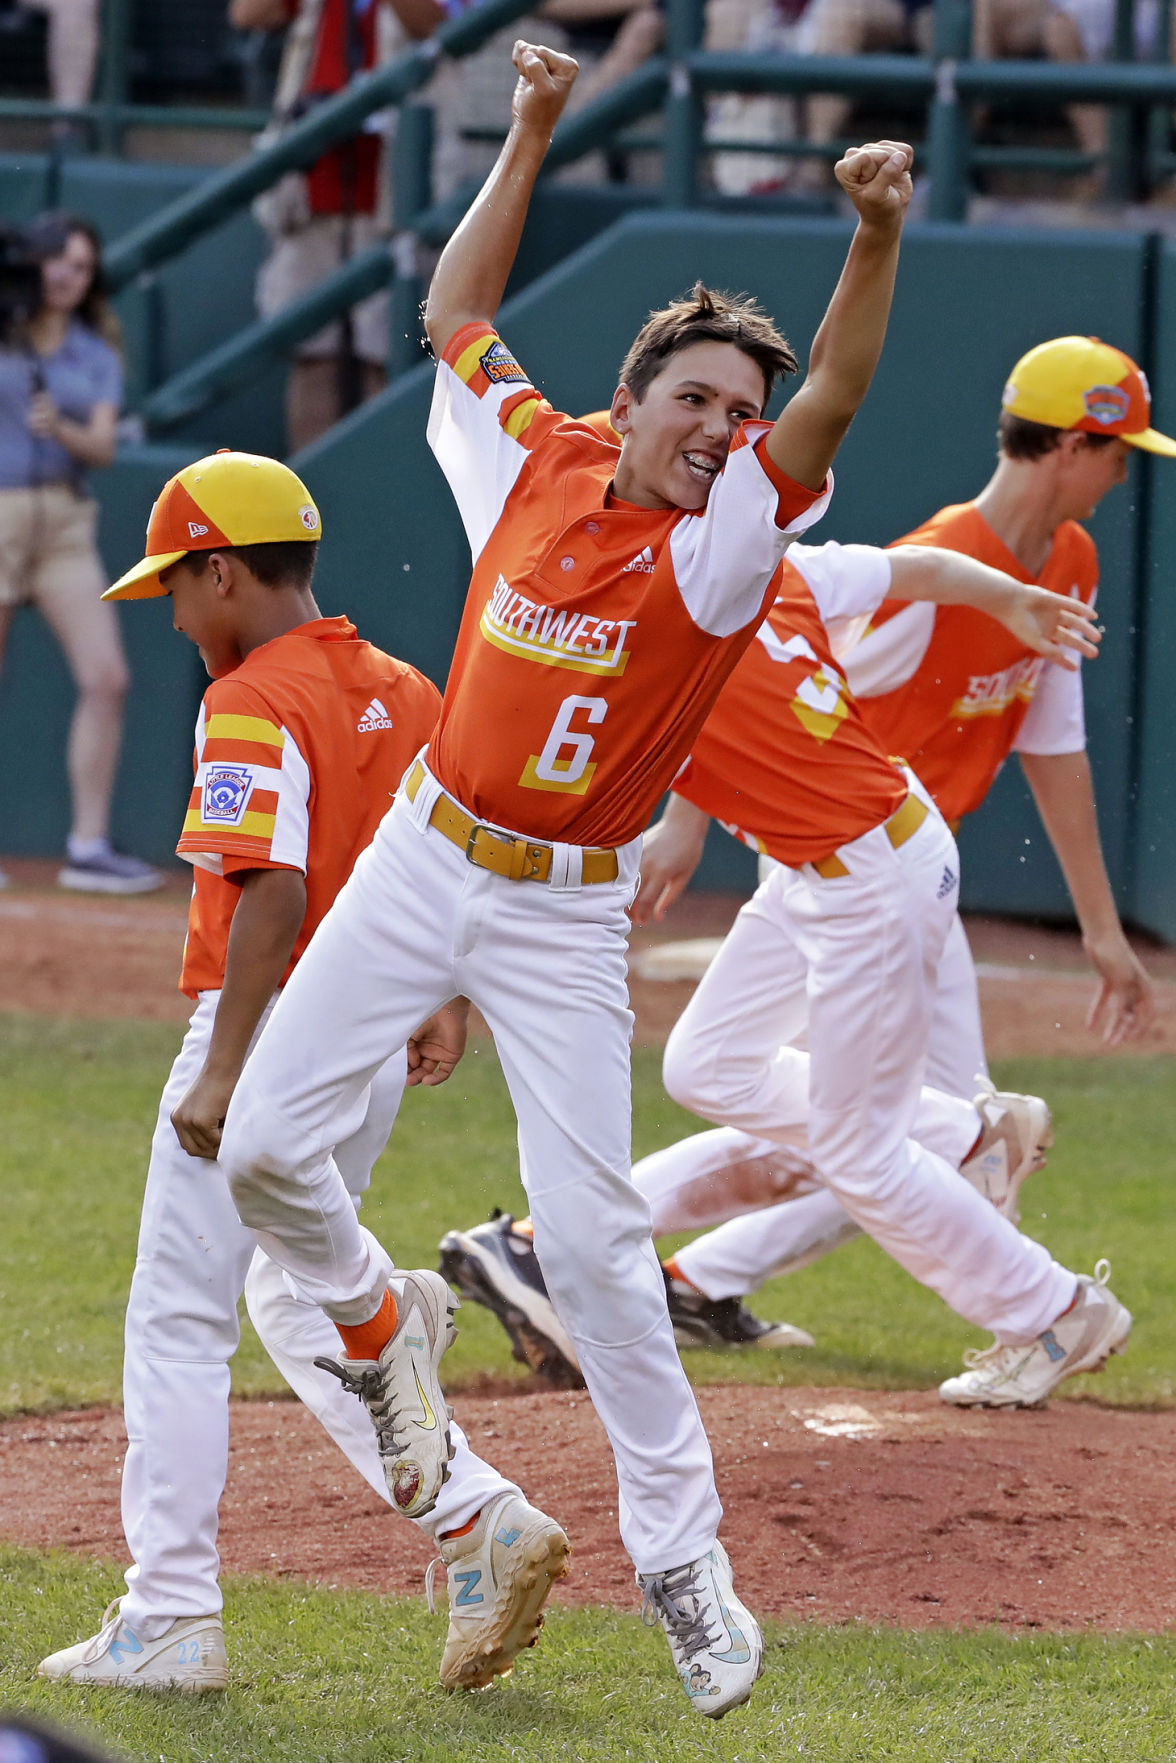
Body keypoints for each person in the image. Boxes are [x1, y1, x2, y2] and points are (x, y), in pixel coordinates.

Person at [207, 38, 913, 1718]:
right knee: (257, 1150)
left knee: (596, 1240)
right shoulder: (532, 454)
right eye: (699, 402)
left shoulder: (728, 542)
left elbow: (833, 395)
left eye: (743, 420)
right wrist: (527, 125)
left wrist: (872, 237)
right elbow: (456, 310)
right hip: (419, 856)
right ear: (639, 394)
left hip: (557, 903)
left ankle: (684, 1565)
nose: (727, 434)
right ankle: (382, 1324)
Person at [449, 336, 1159, 1411]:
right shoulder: (756, 573)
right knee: (710, 1065)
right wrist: (1005, 597)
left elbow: (911, 570)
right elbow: (916, 566)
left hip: (874, 865)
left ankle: (1051, 1309)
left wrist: (1007, 603)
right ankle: (968, 1130)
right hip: (827, 867)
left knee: (858, 1150)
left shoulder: (735, 580)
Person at [38, 450, 567, 1694]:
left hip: (269, 1031)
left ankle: (169, 1611)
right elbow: (457, 871)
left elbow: (268, 886)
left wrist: (221, 1073)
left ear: (222, 568)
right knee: (290, 1298)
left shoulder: (250, 700)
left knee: (176, 1315)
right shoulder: (405, 687)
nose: (170, 612)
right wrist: (444, 997)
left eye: (176, 583)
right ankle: (474, 1515)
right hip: (366, 1039)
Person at [0, 212, 161, 895]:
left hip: (65, 518)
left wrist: (59, 428)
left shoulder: (95, 348)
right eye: (59, 260)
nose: (69, 275)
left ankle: (88, 845)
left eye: (83, 266)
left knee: (107, 677)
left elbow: (102, 445)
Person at [231, 0, 451, 450]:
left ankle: (376, 501)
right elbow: (249, 13)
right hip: (313, 179)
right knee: (313, 357)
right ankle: (306, 508)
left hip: (398, 188)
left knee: (385, 358)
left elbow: (433, 21)